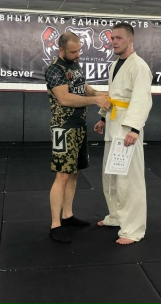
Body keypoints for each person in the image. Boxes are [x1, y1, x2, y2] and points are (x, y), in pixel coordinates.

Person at [45, 31, 111, 243]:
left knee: (74, 173)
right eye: (73, 52)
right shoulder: (55, 69)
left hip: (79, 126)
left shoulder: (75, 65)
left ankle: (67, 215)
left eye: (79, 51)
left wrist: (98, 94)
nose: (77, 55)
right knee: (62, 175)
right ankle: (55, 224)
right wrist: (95, 101)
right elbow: (64, 98)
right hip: (63, 128)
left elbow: (83, 87)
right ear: (61, 49)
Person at [94, 22, 153, 245]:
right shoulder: (115, 65)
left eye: (118, 38)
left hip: (128, 129)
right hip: (113, 124)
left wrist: (134, 128)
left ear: (130, 39)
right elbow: (113, 95)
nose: (114, 42)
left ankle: (133, 229)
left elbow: (142, 99)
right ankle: (117, 216)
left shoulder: (139, 66)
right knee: (111, 176)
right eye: (112, 38)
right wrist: (102, 117)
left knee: (129, 180)